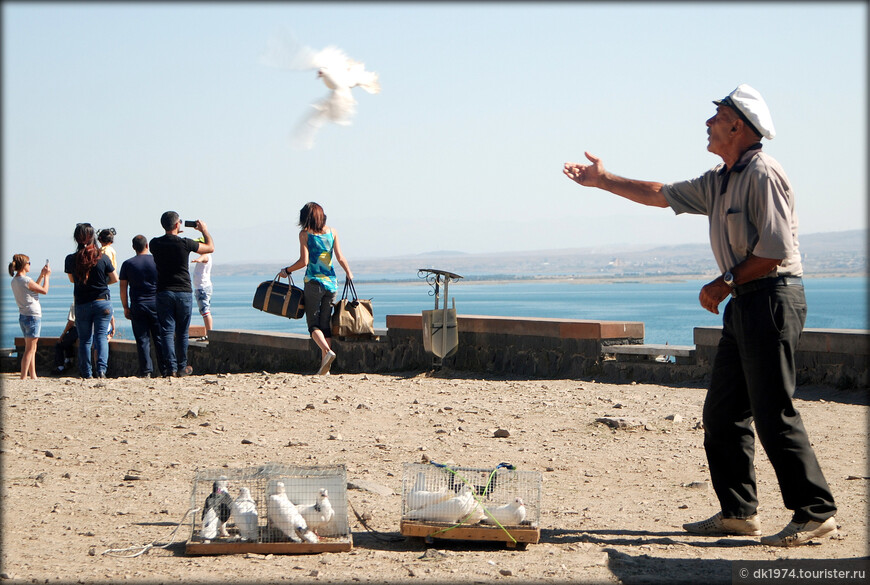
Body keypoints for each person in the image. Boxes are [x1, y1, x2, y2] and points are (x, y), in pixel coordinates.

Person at [562, 84, 837, 547]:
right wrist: (604, 180)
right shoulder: (721, 178)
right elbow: (660, 193)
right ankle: (738, 512)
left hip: (770, 298)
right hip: (746, 302)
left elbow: (775, 251)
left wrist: (723, 282)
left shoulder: (763, 173)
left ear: (738, 126)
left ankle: (815, 512)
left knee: (774, 412)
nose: (707, 124)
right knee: (724, 412)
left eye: (717, 116)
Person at [280, 202, 353, 376]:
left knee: (313, 325)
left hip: (313, 283)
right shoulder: (332, 232)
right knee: (325, 325)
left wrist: (287, 270)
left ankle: (327, 352)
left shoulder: (304, 235)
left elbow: (304, 262)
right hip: (331, 284)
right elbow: (340, 257)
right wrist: (349, 273)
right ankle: (324, 367)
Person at [149, 211, 214, 377]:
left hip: (164, 291)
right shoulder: (185, 243)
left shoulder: (154, 243)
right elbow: (210, 247)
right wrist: (204, 230)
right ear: (178, 225)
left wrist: (175, 233)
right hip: (183, 291)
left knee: (167, 331)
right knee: (182, 332)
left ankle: (169, 368)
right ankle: (182, 367)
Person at [64, 223, 117, 379]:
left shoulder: (71, 259)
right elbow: (114, 278)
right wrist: (100, 283)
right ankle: (101, 371)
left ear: (76, 239)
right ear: (93, 237)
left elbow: (72, 280)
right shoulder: (103, 258)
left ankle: (87, 373)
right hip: (102, 301)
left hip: (82, 303)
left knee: (85, 340)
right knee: (101, 337)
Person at [119, 235, 165, 378]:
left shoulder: (127, 264)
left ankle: (146, 371)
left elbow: (123, 288)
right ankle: (165, 369)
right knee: (159, 338)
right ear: (147, 246)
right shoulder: (157, 260)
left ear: (134, 247)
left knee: (142, 339)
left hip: (138, 304)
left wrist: (126, 307)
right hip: (156, 303)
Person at [9, 254, 50, 379]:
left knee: (31, 347)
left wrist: (42, 275)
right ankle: (23, 376)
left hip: (24, 315)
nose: (30, 265)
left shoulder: (15, 281)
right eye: (29, 263)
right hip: (33, 315)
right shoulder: (26, 280)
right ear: (24, 265)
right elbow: (44, 290)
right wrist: (47, 277)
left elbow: (33, 289)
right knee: (30, 349)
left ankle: (33, 374)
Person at [190, 240, 213, 339]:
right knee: (204, 311)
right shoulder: (206, 256)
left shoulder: (206, 255)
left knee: (205, 311)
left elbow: (204, 257)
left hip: (202, 288)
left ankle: (209, 334)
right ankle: (209, 333)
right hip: (202, 288)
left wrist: (198, 260)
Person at [53, 304, 78, 375]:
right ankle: (68, 359)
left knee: (60, 344)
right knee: (68, 342)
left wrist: (63, 334)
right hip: (88, 329)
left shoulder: (75, 304)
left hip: (76, 330)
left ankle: (61, 367)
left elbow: (71, 322)